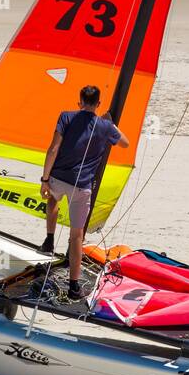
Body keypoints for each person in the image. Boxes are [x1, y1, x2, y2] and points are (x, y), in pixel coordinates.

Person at [40, 85, 128, 301]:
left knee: (52, 199)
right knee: (76, 235)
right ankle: (73, 286)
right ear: (98, 104)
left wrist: (44, 179)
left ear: (79, 102)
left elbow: (53, 149)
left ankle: (49, 241)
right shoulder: (105, 126)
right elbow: (124, 144)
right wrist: (111, 124)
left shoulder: (66, 117)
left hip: (58, 178)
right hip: (82, 187)